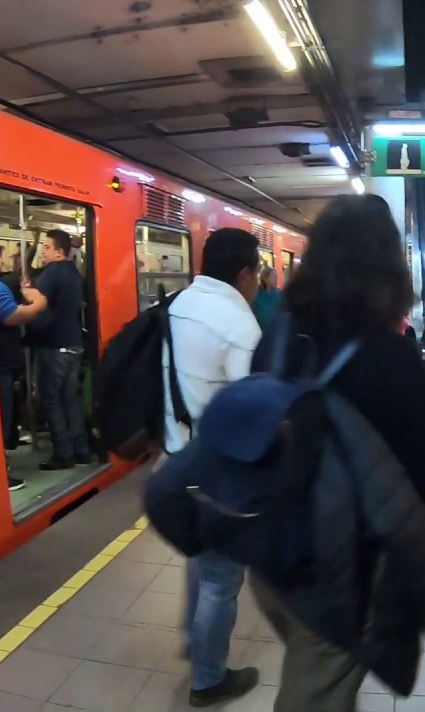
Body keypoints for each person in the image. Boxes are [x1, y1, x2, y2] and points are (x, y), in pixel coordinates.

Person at [249, 195, 425, 711]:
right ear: (387, 265)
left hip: (270, 549)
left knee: (319, 670)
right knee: (317, 686)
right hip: (337, 567)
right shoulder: (386, 356)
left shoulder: (279, 334)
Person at [163, 227, 264, 707]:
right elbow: (252, 411)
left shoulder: (177, 303)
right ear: (245, 274)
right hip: (219, 470)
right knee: (222, 580)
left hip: (176, 458)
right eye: (258, 275)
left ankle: (193, 637)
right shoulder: (239, 324)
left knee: (198, 559)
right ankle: (209, 679)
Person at [28, 229, 93, 471]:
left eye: (46, 247)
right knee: (71, 399)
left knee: (51, 400)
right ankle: (82, 450)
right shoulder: (73, 273)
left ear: (59, 252)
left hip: (54, 345)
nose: (43, 252)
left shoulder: (52, 273)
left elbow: (38, 306)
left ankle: (64, 453)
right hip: (74, 343)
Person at [0, 242, 47, 491]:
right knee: (1, 416)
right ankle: (1, 472)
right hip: (1, 362)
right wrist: (37, 303)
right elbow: (11, 315)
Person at [250, 265, 281, 331]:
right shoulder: (256, 295)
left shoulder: (279, 294)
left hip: (275, 331)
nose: (276, 279)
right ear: (265, 278)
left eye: (276, 276)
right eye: (273, 276)